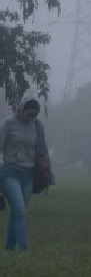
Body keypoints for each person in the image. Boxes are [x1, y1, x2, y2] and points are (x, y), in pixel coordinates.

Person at [0, 98, 50, 250]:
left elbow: (42, 149)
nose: (30, 118)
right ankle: (23, 249)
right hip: (10, 172)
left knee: (17, 213)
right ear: (21, 109)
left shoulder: (36, 125)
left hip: (28, 174)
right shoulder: (8, 123)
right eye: (28, 115)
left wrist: (47, 171)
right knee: (20, 210)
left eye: (33, 115)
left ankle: (9, 248)